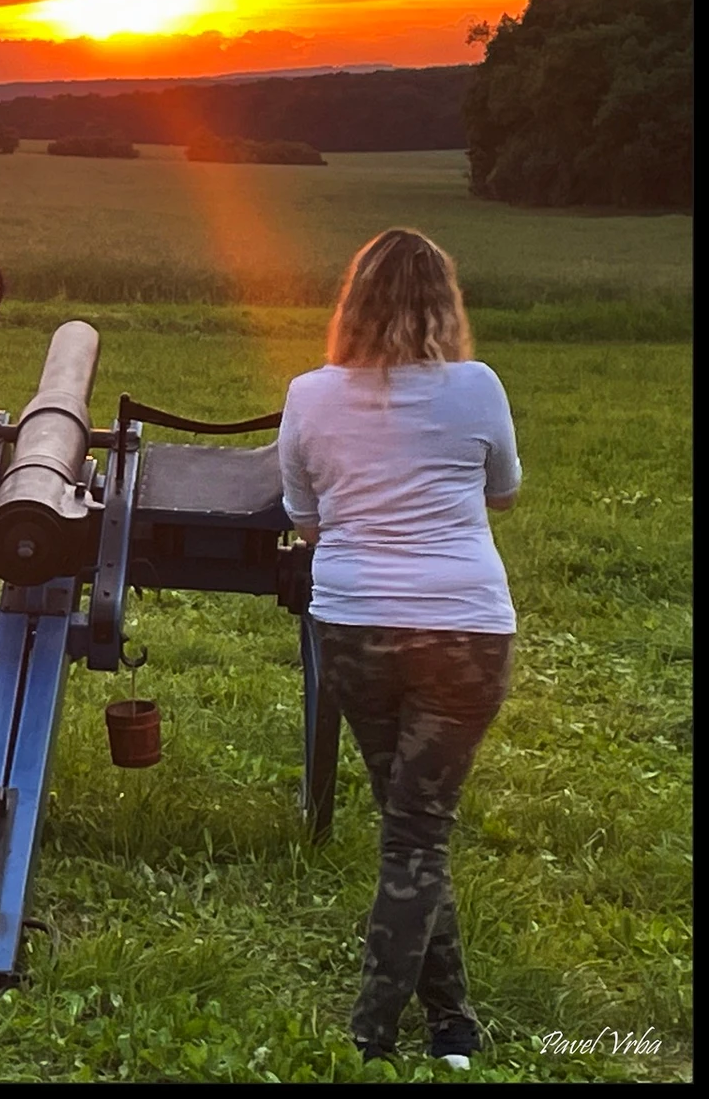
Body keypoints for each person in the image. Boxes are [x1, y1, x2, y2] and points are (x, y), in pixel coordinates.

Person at [278, 228, 522, 1069]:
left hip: (357, 629)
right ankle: (410, 1030)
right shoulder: (478, 387)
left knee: (411, 826)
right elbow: (506, 492)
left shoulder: (309, 395)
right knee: (416, 830)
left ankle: (416, 1028)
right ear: (443, 306)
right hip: (465, 634)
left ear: (354, 304)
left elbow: (304, 520)